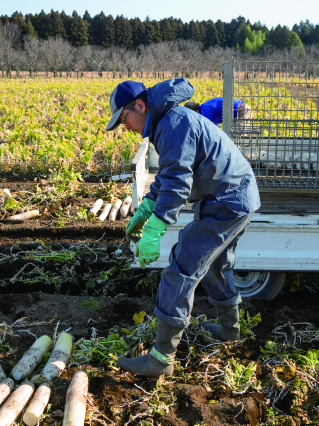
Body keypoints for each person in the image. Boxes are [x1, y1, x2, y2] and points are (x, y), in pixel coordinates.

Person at [105, 79, 260, 377]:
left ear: (140, 106)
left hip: (227, 201)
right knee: (215, 265)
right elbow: (168, 175)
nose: (127, 128)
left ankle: (161, 359)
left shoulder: (172, 124)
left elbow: (177, 184)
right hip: (234, 196)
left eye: (124, 120)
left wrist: (154, 231)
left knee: (181, 268)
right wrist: (145, 210)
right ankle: (230, 329)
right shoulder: (168, 121)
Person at [184, 97, 252, 126]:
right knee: (233, 138)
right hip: (239, 113)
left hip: (242, 111)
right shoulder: (204, 109)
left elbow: (206, 127)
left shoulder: (205, 111)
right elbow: (215, 128)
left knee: (237, 138)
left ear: (193, 111)